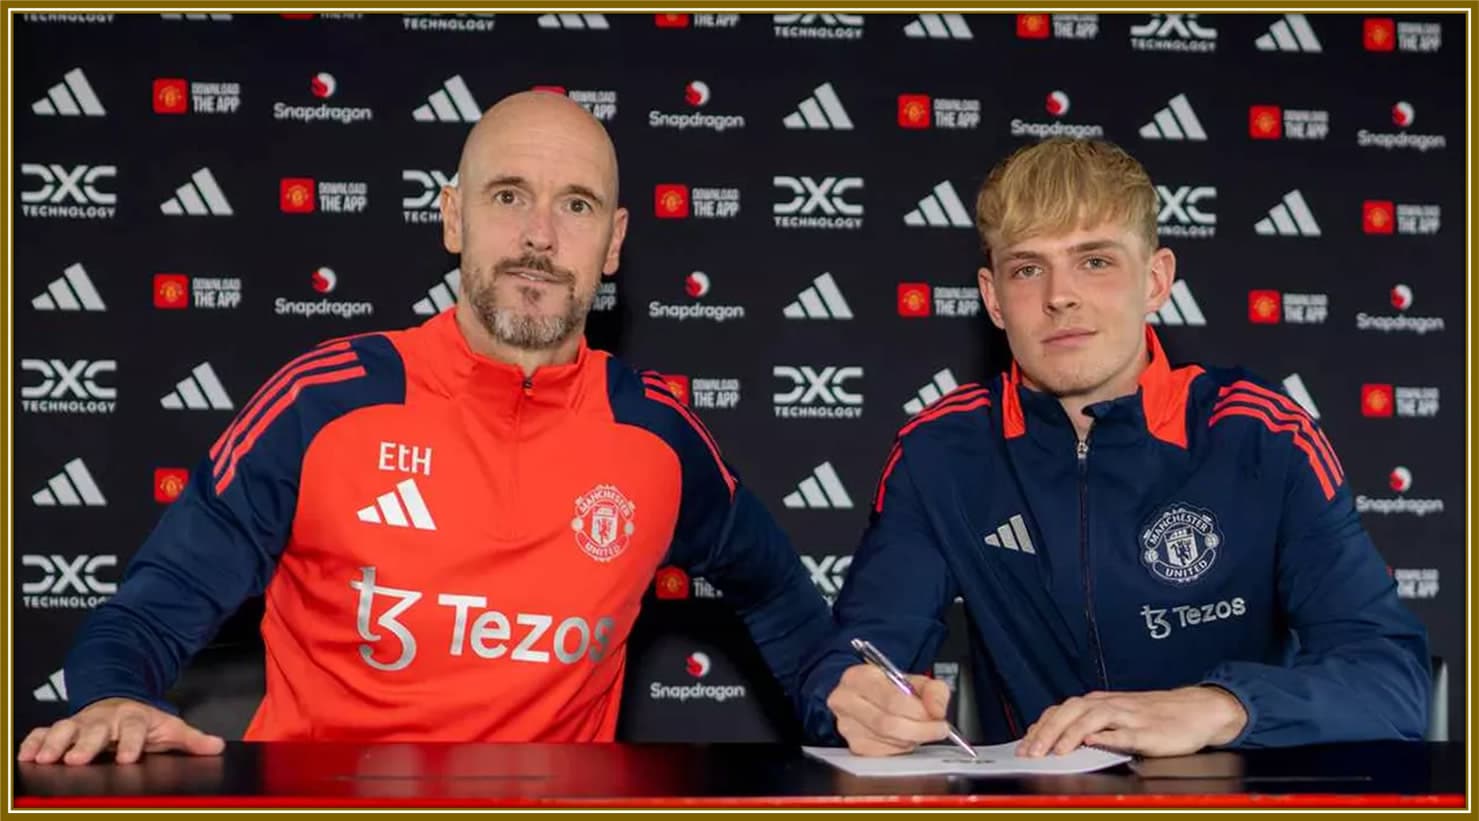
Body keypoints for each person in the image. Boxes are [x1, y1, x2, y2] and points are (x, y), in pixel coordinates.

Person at [19, 91, 830, 766]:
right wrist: (114, 696)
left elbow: (779, 594)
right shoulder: (325, 402)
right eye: (508, 196)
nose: (539, 236)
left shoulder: (656, 435)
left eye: (575, 205)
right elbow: (148, 613)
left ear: (612, 243)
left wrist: (840, 701)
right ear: (453, 219)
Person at [799, 137, 1431, 758]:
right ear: (994, 299)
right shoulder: (940, 453)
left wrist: (1220, 705)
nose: (1059, 295)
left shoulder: (1262, 435)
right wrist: (853, 700)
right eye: (1027, 268)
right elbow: (856, 657)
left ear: (1156, 281)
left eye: (1094, 261)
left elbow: (1390, 682)